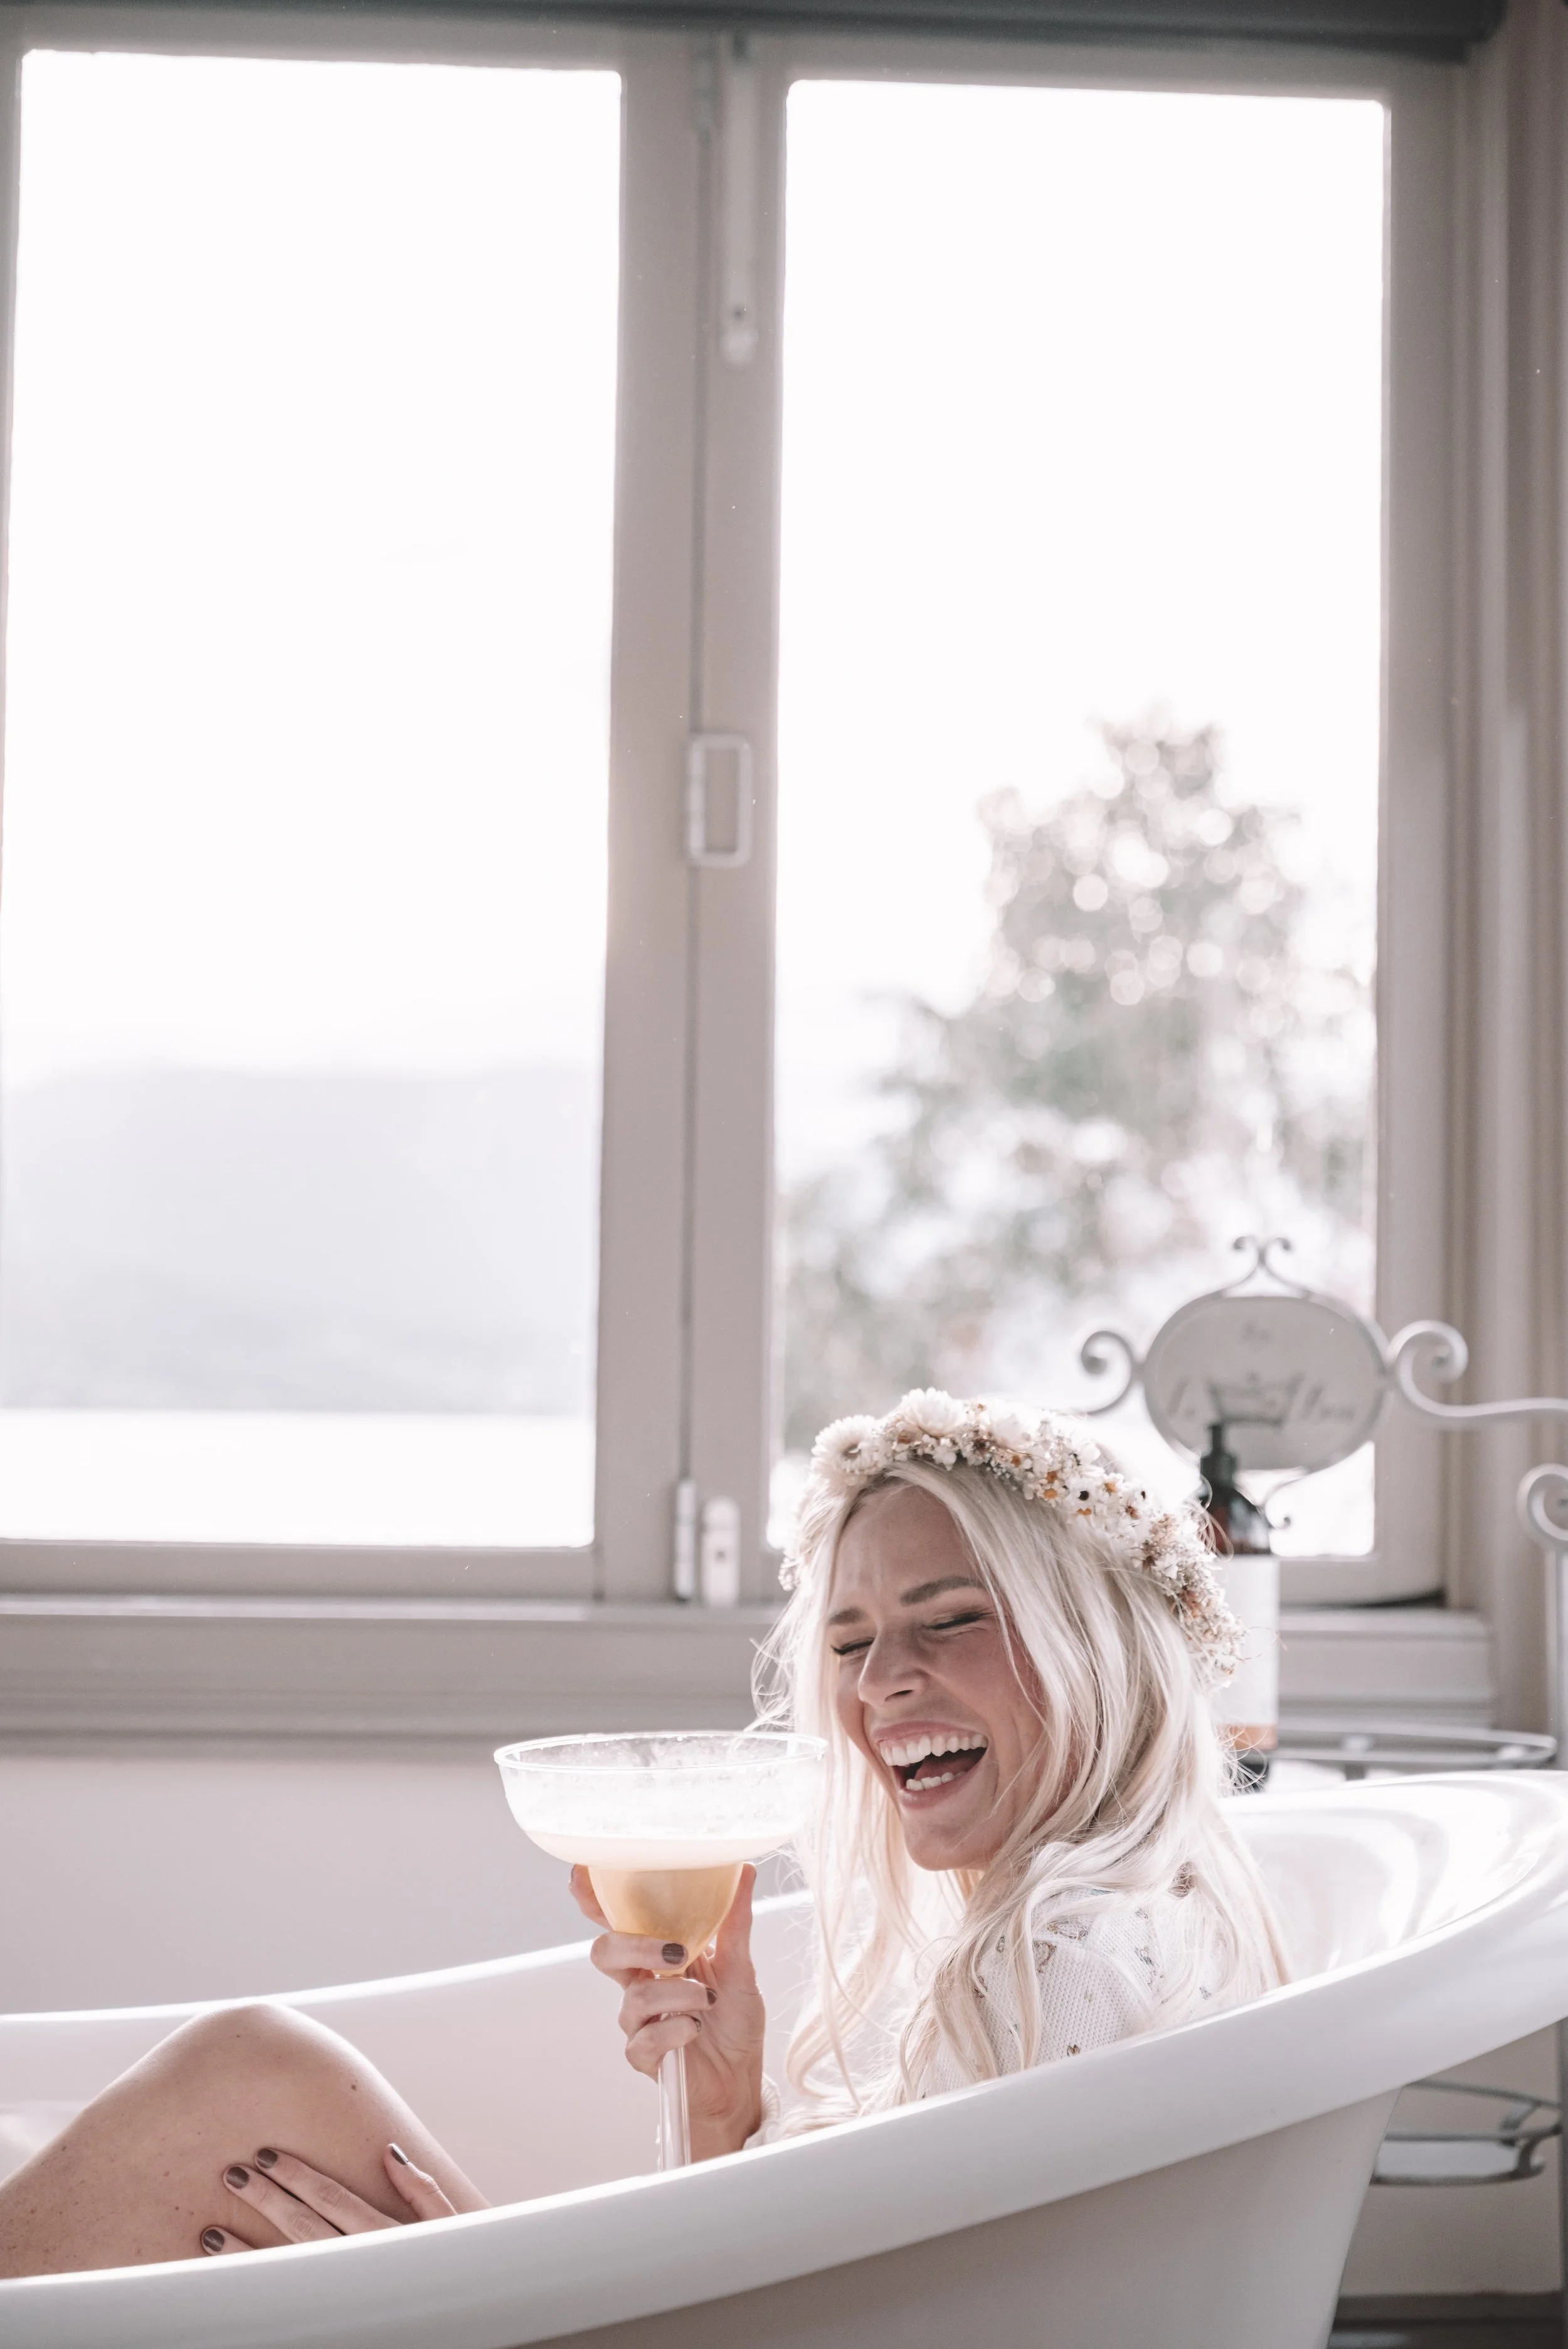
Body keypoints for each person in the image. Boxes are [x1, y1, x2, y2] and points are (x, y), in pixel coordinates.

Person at [0, 1391, 1285, 2275]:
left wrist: (459, 2291)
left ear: (1097, 1646)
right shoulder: (1096, 1930)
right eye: (848, 1643)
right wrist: (722, 2118)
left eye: (950, 1618)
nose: (881, 1682)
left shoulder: (1065, 1961)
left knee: (251, 2070)